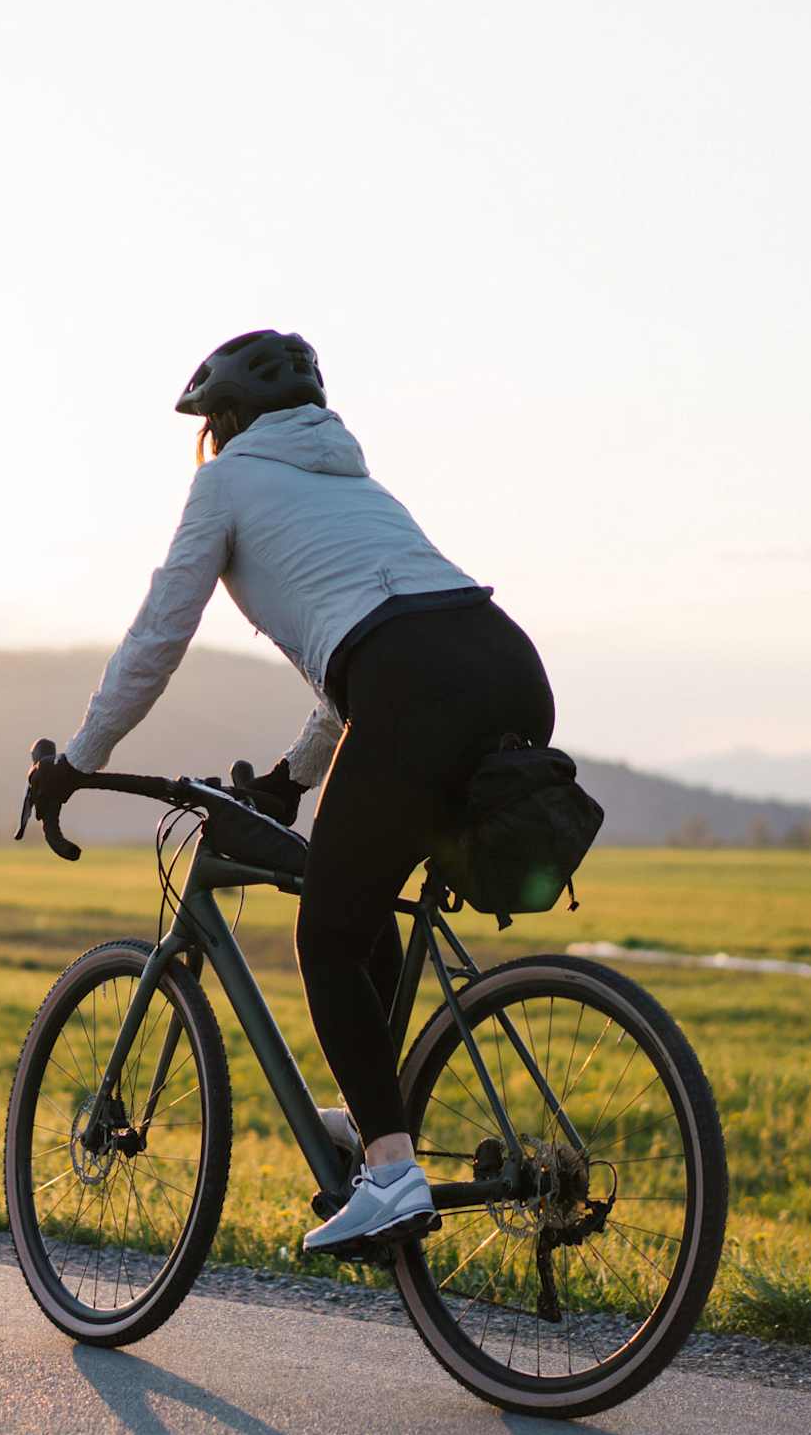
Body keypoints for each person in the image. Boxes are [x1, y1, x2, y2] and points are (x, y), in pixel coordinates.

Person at [27, 330, 555, 1254]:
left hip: (411, 685)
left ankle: (391, 1172)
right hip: (506, 663)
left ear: (221, 425)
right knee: (362, 906)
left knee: (324, 930)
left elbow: (159, 635)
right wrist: (289, 780)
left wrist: (78, 756)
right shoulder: (355, 483)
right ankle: (378, 1122)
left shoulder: (224, 483)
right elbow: (368, 653)